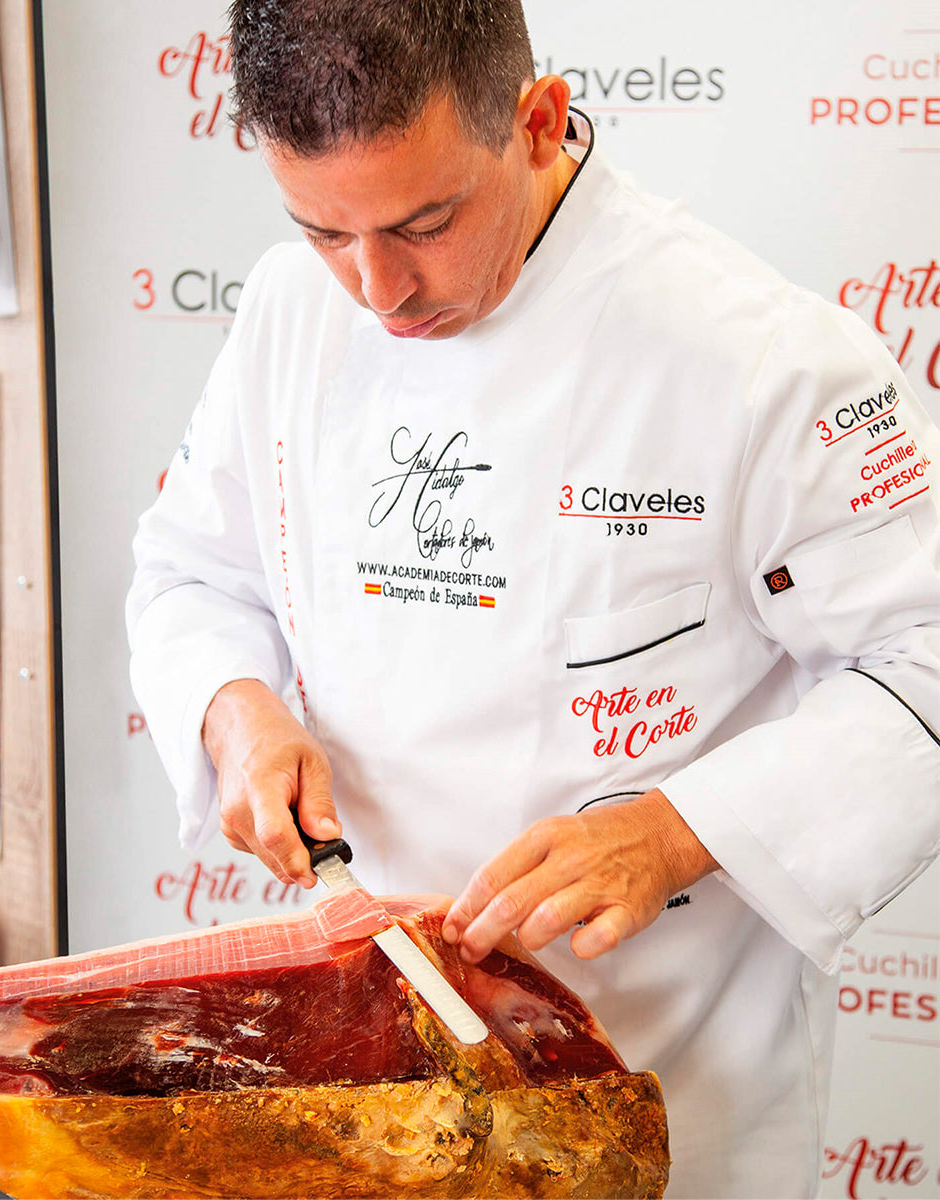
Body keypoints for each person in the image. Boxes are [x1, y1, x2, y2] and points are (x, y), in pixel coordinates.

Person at [125, 2, 940, 1195]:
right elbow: (194, 569)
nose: (379, 290)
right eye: (324, 230)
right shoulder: (290, 313)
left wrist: (675, 832)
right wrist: (233, 705)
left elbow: (926, 657)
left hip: (669, 1082)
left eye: (426, 224)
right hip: (376, 1093)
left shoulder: (761, 358)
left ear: (540, 122)